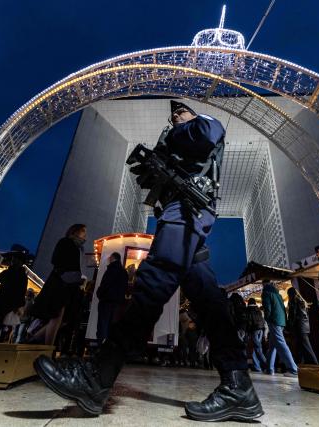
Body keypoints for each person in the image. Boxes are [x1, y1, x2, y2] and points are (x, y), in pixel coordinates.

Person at [34, 100, 263, 422]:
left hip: (186, 213)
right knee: (209, 300)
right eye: (173, 116)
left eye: (180, 113)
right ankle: (238, 387)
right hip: (180, 214)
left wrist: (177, 132)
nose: (175, 118)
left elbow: (210, 133)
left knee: (153, 283)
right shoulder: (179, 140)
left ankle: (97, 376)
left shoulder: (203, 124)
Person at [30, 224, 87, 346]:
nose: (85, 235)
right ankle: (48, 347)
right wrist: (66, 275)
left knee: (62, 318)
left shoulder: (78, 248)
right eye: (83, 232)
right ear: (75, 232)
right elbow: (56, 260)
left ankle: (35, 338)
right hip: (60, 284)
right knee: (56, 315)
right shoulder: (65, 242)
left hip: (69, 285)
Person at [261, 282, 298, 376]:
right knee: (272, 346)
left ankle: (293, 369)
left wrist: (267, 319)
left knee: (281, 344)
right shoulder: (278, 295)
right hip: (281, 321)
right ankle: (269, 369)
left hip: (274, 321)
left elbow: (267, 308)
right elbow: (283, 309)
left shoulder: (266, 293)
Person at [96, 252, 129, 342]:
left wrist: (99, 294)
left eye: (110, 258)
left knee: (103, 324)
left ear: (112, 258)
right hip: (118, 303)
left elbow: (105, 284)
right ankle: (109, 347)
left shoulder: (110, 270)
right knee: (112, 325)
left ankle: (101, 346)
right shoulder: (124, 272)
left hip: (106, 301)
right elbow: (125, 288)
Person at [286, 287, 318, 365]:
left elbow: (293, 316)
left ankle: (315, 364)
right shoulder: (302, 301)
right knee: (301, 347)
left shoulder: (294, 302)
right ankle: (302, 364)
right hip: (305, 327)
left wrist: (289, 326)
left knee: (306, 347)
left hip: (299, 327)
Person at [245, 298, 268, 373]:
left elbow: (248, 322)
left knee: (258, 349)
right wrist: (265, 333)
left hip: (254, 331)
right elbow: (264, 322)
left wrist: (247, 333)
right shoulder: (259, 310)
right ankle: (257, 367)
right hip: (261, 330)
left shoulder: (247, 310)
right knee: (256, 348)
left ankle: (267, 365)